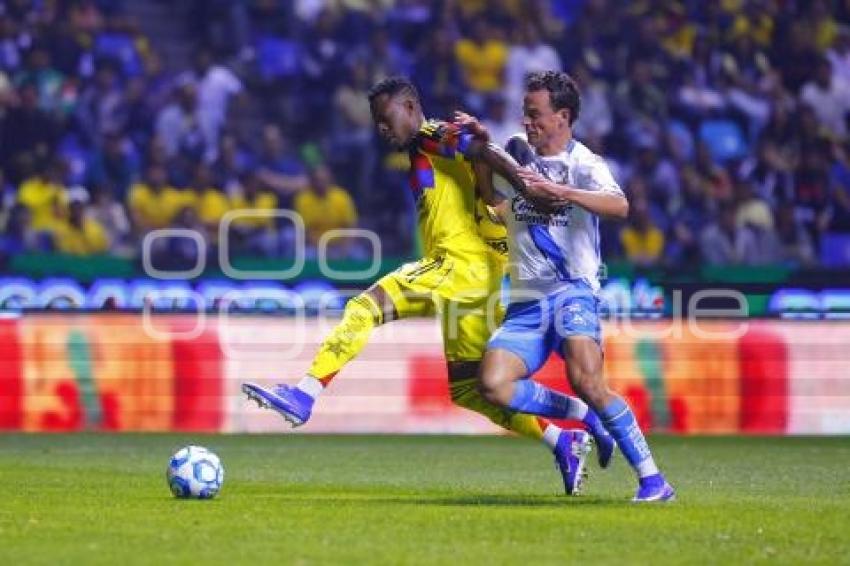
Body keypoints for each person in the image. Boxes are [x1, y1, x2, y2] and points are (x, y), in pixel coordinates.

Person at [243, 76, 594, 495]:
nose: (381, 128)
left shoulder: (431, 135)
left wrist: (526, 186)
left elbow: (481, 149)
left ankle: (304, 394)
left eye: (386, 117)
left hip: (456, 266)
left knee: (364, 307)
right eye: (376, 122)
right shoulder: (423, 151)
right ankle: (564, 439)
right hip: (479, 278)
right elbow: (481, 161)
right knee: (469, 389)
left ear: (410, 107)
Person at [468, 70, 674, 502]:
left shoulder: (585, 163)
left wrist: (564, 191)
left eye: (535, 114)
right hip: (526, 299)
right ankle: (585, 418)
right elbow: (493, 202)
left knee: (587, 379)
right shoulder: (515, 153)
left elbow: (619, 205)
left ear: (562, 116)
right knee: (493, 385)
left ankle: (654, 481)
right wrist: (481, 156)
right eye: (525, 113)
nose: (527, 122)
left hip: (572, 291)